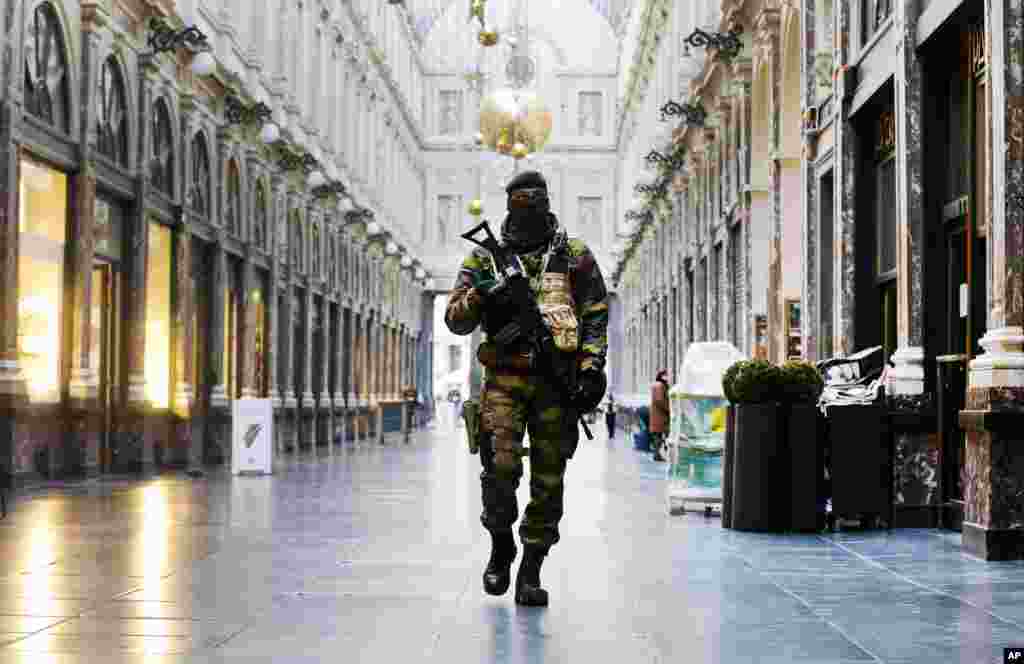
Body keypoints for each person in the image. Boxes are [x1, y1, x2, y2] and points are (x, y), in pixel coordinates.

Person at [445, 170, 609, 607]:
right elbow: (455, 319)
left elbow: (594, 313)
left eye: (535, 202)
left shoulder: (574, 255)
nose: (528, 211)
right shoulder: (485, 259)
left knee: (549, 479)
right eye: (521, 202)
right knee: (498, 469)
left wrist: (592, 368)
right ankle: (502, 544)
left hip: (557, 383)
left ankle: (532, 567)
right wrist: (483, 295)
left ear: (547, 204)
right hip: (503, 378)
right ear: (509, 206)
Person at [650, 369, 671, 462]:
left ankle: (658, 454)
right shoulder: (660, 386)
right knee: (660, 435)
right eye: (665, 375)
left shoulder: (658, 385)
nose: (667, 377)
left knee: (658, 436)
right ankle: (657, 454)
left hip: (658, 415)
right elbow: (660, 400)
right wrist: (669, 409)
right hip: (660, 415)